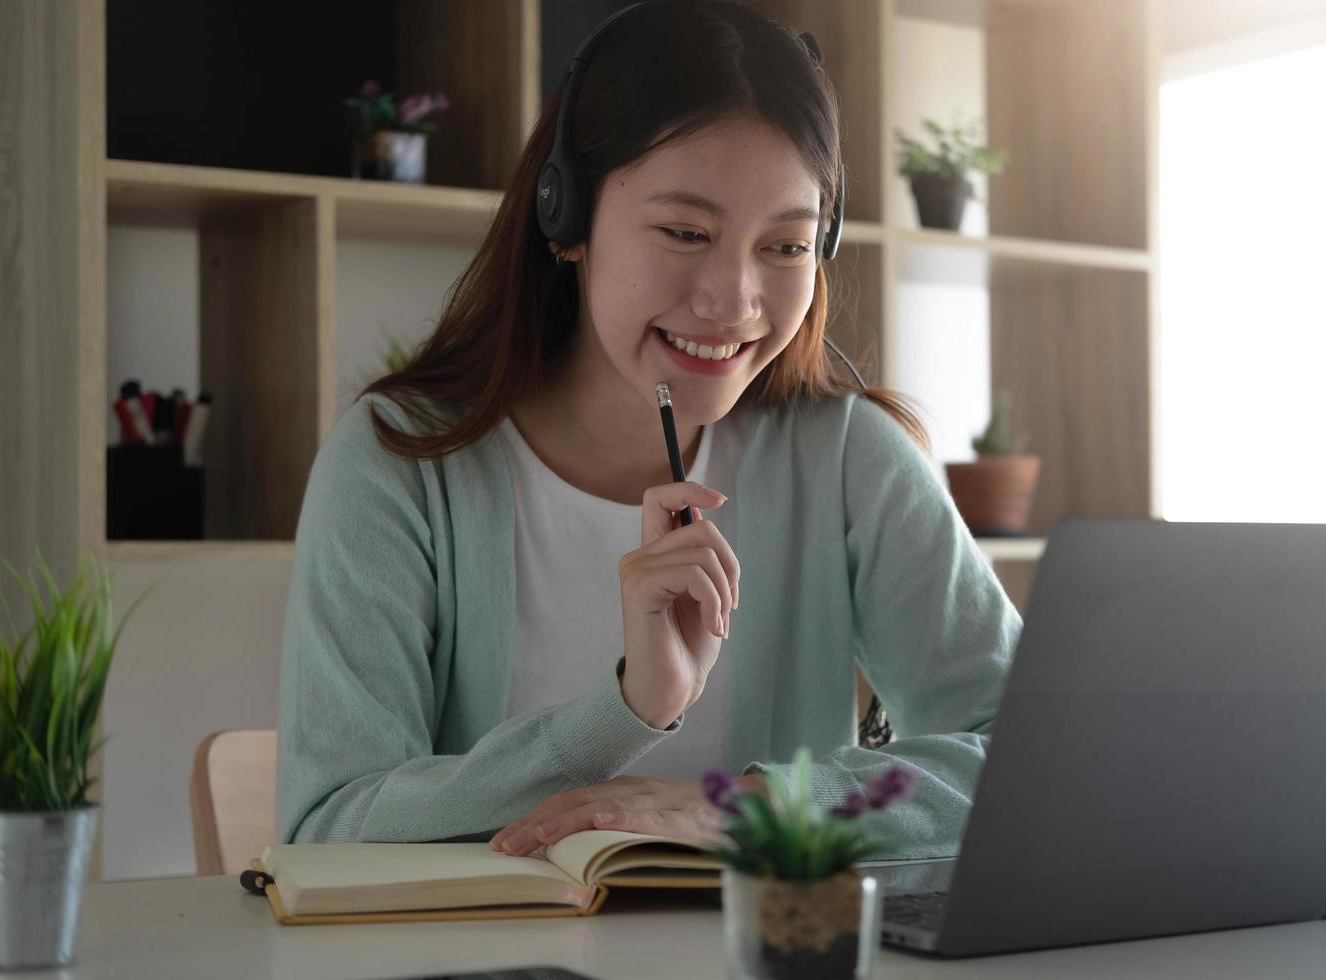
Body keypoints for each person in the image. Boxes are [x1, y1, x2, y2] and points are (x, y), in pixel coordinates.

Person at [275, 0, 1021, 860]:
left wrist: (751, 806)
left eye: (785, 247)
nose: (734, 300)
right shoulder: (399, 462)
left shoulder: (850, 460)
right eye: (685, 232)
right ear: (567, 220)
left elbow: (1033, 756)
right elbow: (325, 828)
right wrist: (626, 711)